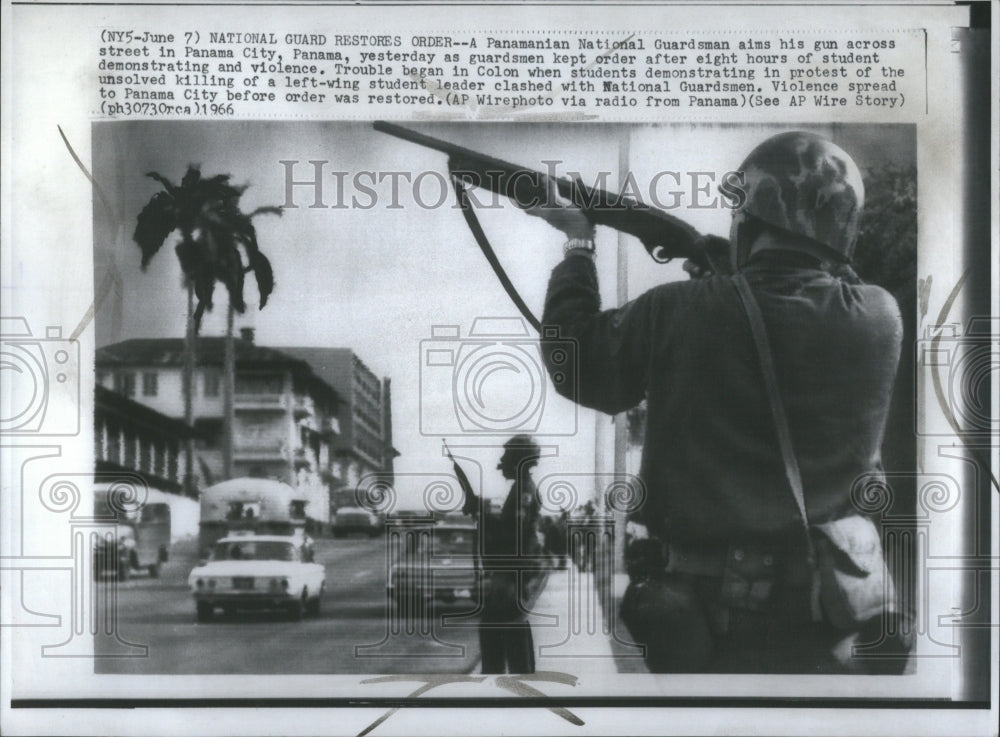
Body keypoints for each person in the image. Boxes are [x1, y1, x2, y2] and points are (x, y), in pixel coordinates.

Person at [534, 132, 907, 674]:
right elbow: (803, 300)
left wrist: (577, 242)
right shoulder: (881, 316)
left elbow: (577, 367)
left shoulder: (674, 309)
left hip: (707, 619)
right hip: (831, 613)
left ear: (748, 218)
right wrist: (734, 272)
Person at [460, 434, 543, 674]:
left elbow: (513, 535)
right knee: (510, 630)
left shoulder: (524, 492)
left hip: (512, 574)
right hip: (512, 572)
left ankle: (507, 686)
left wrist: (482, 515)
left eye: (507, 457)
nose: (502, 462)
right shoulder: (520, 489)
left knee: (497, 633)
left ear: (520, 460)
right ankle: (520, 683)